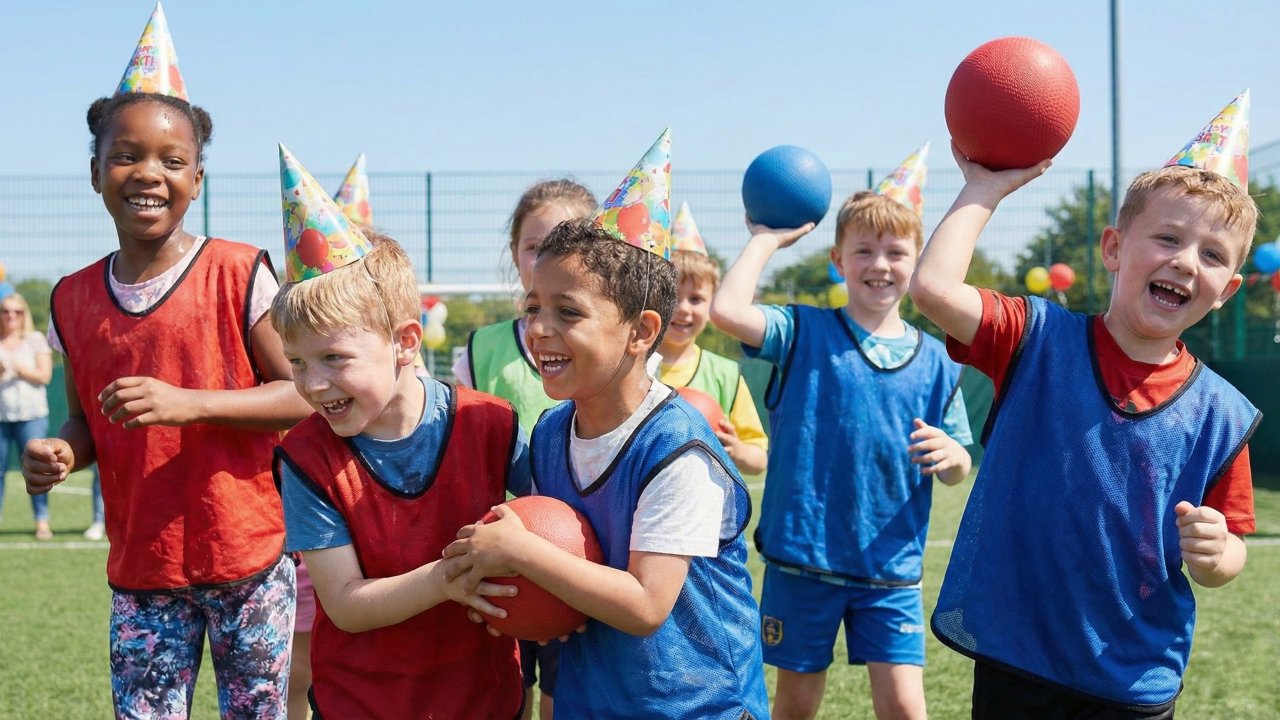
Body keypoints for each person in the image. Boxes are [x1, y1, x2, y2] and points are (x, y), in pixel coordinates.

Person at [909, 93, 1259, 719]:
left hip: (1133, 675)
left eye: (1212, 254)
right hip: (1019, 657)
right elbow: (934, 288)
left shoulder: (1221, 413)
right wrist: (983, 189)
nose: (1185, 261)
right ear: (1113, 248)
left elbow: (1231, 545)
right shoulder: (1035, 337)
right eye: (1168, 237)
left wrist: (1216, 555)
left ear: (1226, 290)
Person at [21, 8, 308, 716]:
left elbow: (303, 395)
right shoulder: (71, 299)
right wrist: (64, 451)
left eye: (172, 160)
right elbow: (88, 419)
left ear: (198, 179)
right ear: (95, 172)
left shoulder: (239, 272)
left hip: (247, 555)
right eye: (126, 155)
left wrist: (192, 403)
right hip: (142, 567)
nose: (148, 173)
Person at [444, 130, 770, 720]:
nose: (539, 328)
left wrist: (522, 551)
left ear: (641, 332)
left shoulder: (679, 450)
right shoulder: (550, 434)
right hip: (591, 700)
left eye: (568, 312)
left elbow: (645, 605)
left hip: (697, 706)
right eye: (534, 308)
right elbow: (569, 560)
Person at [711, 144, 973, 720]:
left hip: (891, 566)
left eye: (896, 252)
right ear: (838, 260)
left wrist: (953, 455)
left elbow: (958, 468)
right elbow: (727, 311)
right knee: (797, 702)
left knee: (904, 704)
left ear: (916, 261)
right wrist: (766, 239)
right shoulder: (801, 331)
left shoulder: (938, 361)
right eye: (864, 250)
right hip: (804, 559)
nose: (880, 264)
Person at [271, 146, 527, 719]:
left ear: (405, 342)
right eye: (297, 362)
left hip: (482, 698)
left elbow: (560, 520)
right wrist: (448, 577)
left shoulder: (490, 424)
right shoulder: (306, 458)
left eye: (333, 357)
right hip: (362, 703)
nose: (312, 383)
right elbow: (345, 603)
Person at [451, 177, 596, 720]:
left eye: (564, 240)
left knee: (565, 688)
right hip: (497, 552)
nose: (546, 256)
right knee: (507, 684)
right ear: (514, 253)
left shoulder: (602, 349)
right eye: (535, 246)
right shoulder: (482, 349)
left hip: (578, 553)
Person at [659, 202, 768, 476]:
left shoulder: (725, 375)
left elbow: (759, 459)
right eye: (672, 296)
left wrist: (736, 449)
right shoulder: (631, 367)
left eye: (696, 299)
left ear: (711, 303)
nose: (683, 308)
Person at [0, 291, 53, 539]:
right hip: (2, 416)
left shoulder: (35, 340)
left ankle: (42, 521)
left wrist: (21, 370)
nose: (11, 315)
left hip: (32, 416)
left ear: (24, 314)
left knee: (37, 471)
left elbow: (45, 376)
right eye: (5, 311)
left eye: (17, 311)